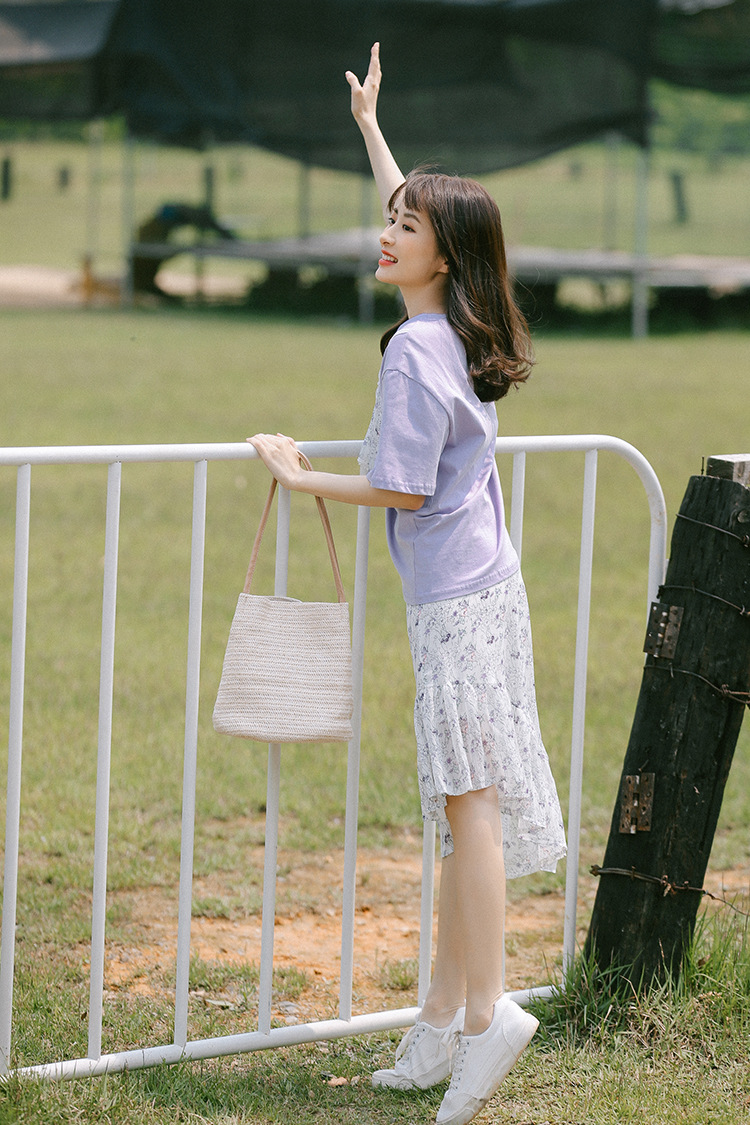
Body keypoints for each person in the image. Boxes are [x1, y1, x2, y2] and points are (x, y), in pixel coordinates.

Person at [249, 42, 566, 1125]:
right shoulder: (458, 329)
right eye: (391, 219)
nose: (386, 234)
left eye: (406, 228)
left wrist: (298, 476)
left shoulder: (417, 351)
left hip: (459, 605)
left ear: (443, 254)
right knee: (460, 808)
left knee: (468, 812)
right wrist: (371, 129)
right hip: (482, 595)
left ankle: (486, 1017)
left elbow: (402, 486)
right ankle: (439, 1022)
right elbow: (424, 212)